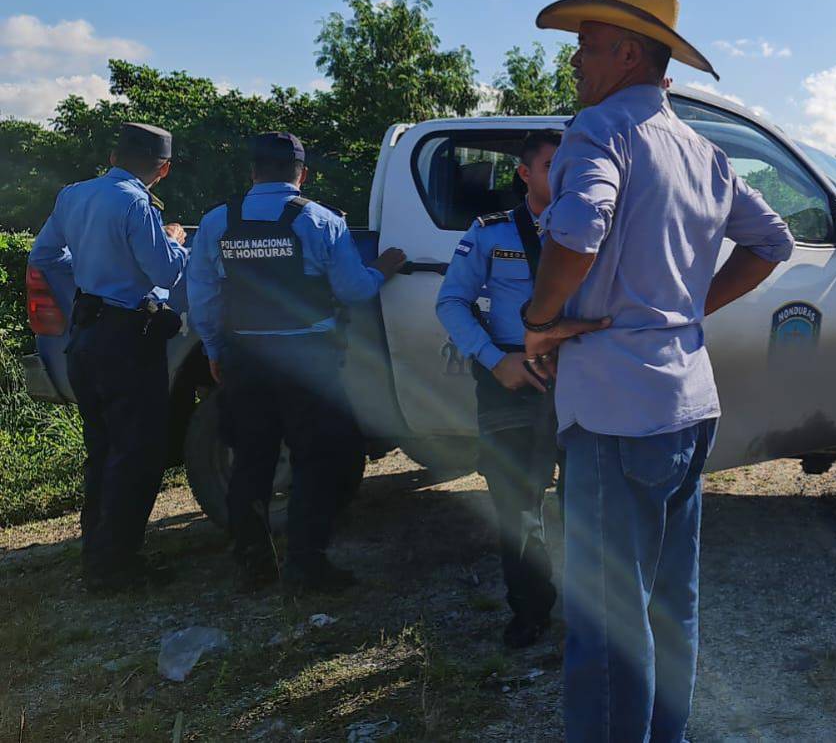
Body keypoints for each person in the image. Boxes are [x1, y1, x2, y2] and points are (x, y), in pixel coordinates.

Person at [523, 0, 796, 742]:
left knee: (610, 620)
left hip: (617, 407)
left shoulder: (601, 130)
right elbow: (771, 241)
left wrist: (537, 319)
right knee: (670, 605)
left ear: (628, 54)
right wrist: (685, 311)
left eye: (586, 48)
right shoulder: (700, 151)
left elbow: (577, 231)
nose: (574, 63)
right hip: (686, 402)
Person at [186, 132, 407, 592]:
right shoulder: (321, 220)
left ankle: (253, 565)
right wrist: (383, 269)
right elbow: (353, 291)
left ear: (253, 172)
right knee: (316, 461)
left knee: (251, 461)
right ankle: (306, 566)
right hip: (307, 361)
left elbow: (202, 296)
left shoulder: (215, 222)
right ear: (301, 174)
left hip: (245, 357)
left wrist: (213, 349)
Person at [30, 122, 189, 593]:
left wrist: (90, 278)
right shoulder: (136, 203)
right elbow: (165, 271)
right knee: (137, 453)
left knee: (101, 451)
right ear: (163, 169)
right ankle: (116, 568)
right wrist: (175, 240)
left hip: (86, 334)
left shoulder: (73, 195)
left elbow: (45, 256)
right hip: (127, 339)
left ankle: (97, 553)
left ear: (115, 155)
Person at [436, 130, 563, 649]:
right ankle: (531, 609)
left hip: (583, 378)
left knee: (591, 501)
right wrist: (494, 360)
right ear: (525, 173)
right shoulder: (490, 233)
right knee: (516, 505)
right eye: (553, 164)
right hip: (511, 379)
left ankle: (601, 612)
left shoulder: (606, 229)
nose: (566, 173)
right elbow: (451, 302)